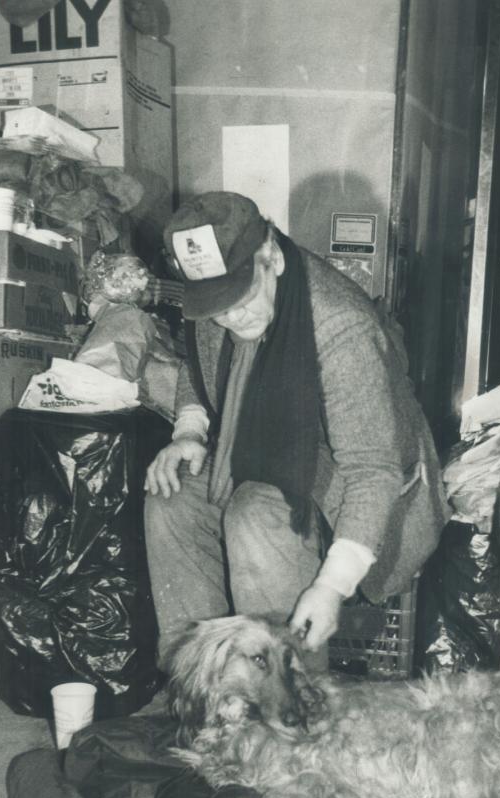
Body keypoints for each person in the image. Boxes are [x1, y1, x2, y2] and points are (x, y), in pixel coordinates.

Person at [144, 190, 449, 666]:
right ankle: (203, 682)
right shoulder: (220, 291)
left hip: (361, 486)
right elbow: (199, 361)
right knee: (171, 499)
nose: (230, 316)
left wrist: (331, 585)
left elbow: (374, 471)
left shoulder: (340, 326)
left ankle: (287, 703)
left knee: (255, 515)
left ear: (270, 256)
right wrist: (188, 429)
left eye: (239, 299)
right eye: (216, 306)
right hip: (263, 450)